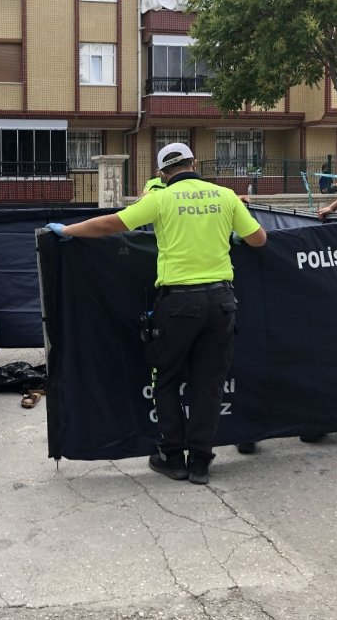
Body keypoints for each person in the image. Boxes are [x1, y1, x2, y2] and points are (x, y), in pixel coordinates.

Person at [46, 143, 267, 484]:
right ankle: (200, 464)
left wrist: (68, 231)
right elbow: (259, 240)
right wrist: (233, 234)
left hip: (179, 304)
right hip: (222, 302)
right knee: (209, 386)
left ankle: (172, 458)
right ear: (195, 162)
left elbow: (112, 224)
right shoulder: (225, 196)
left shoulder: (161, 198)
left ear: (163, 173)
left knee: (166, 381)